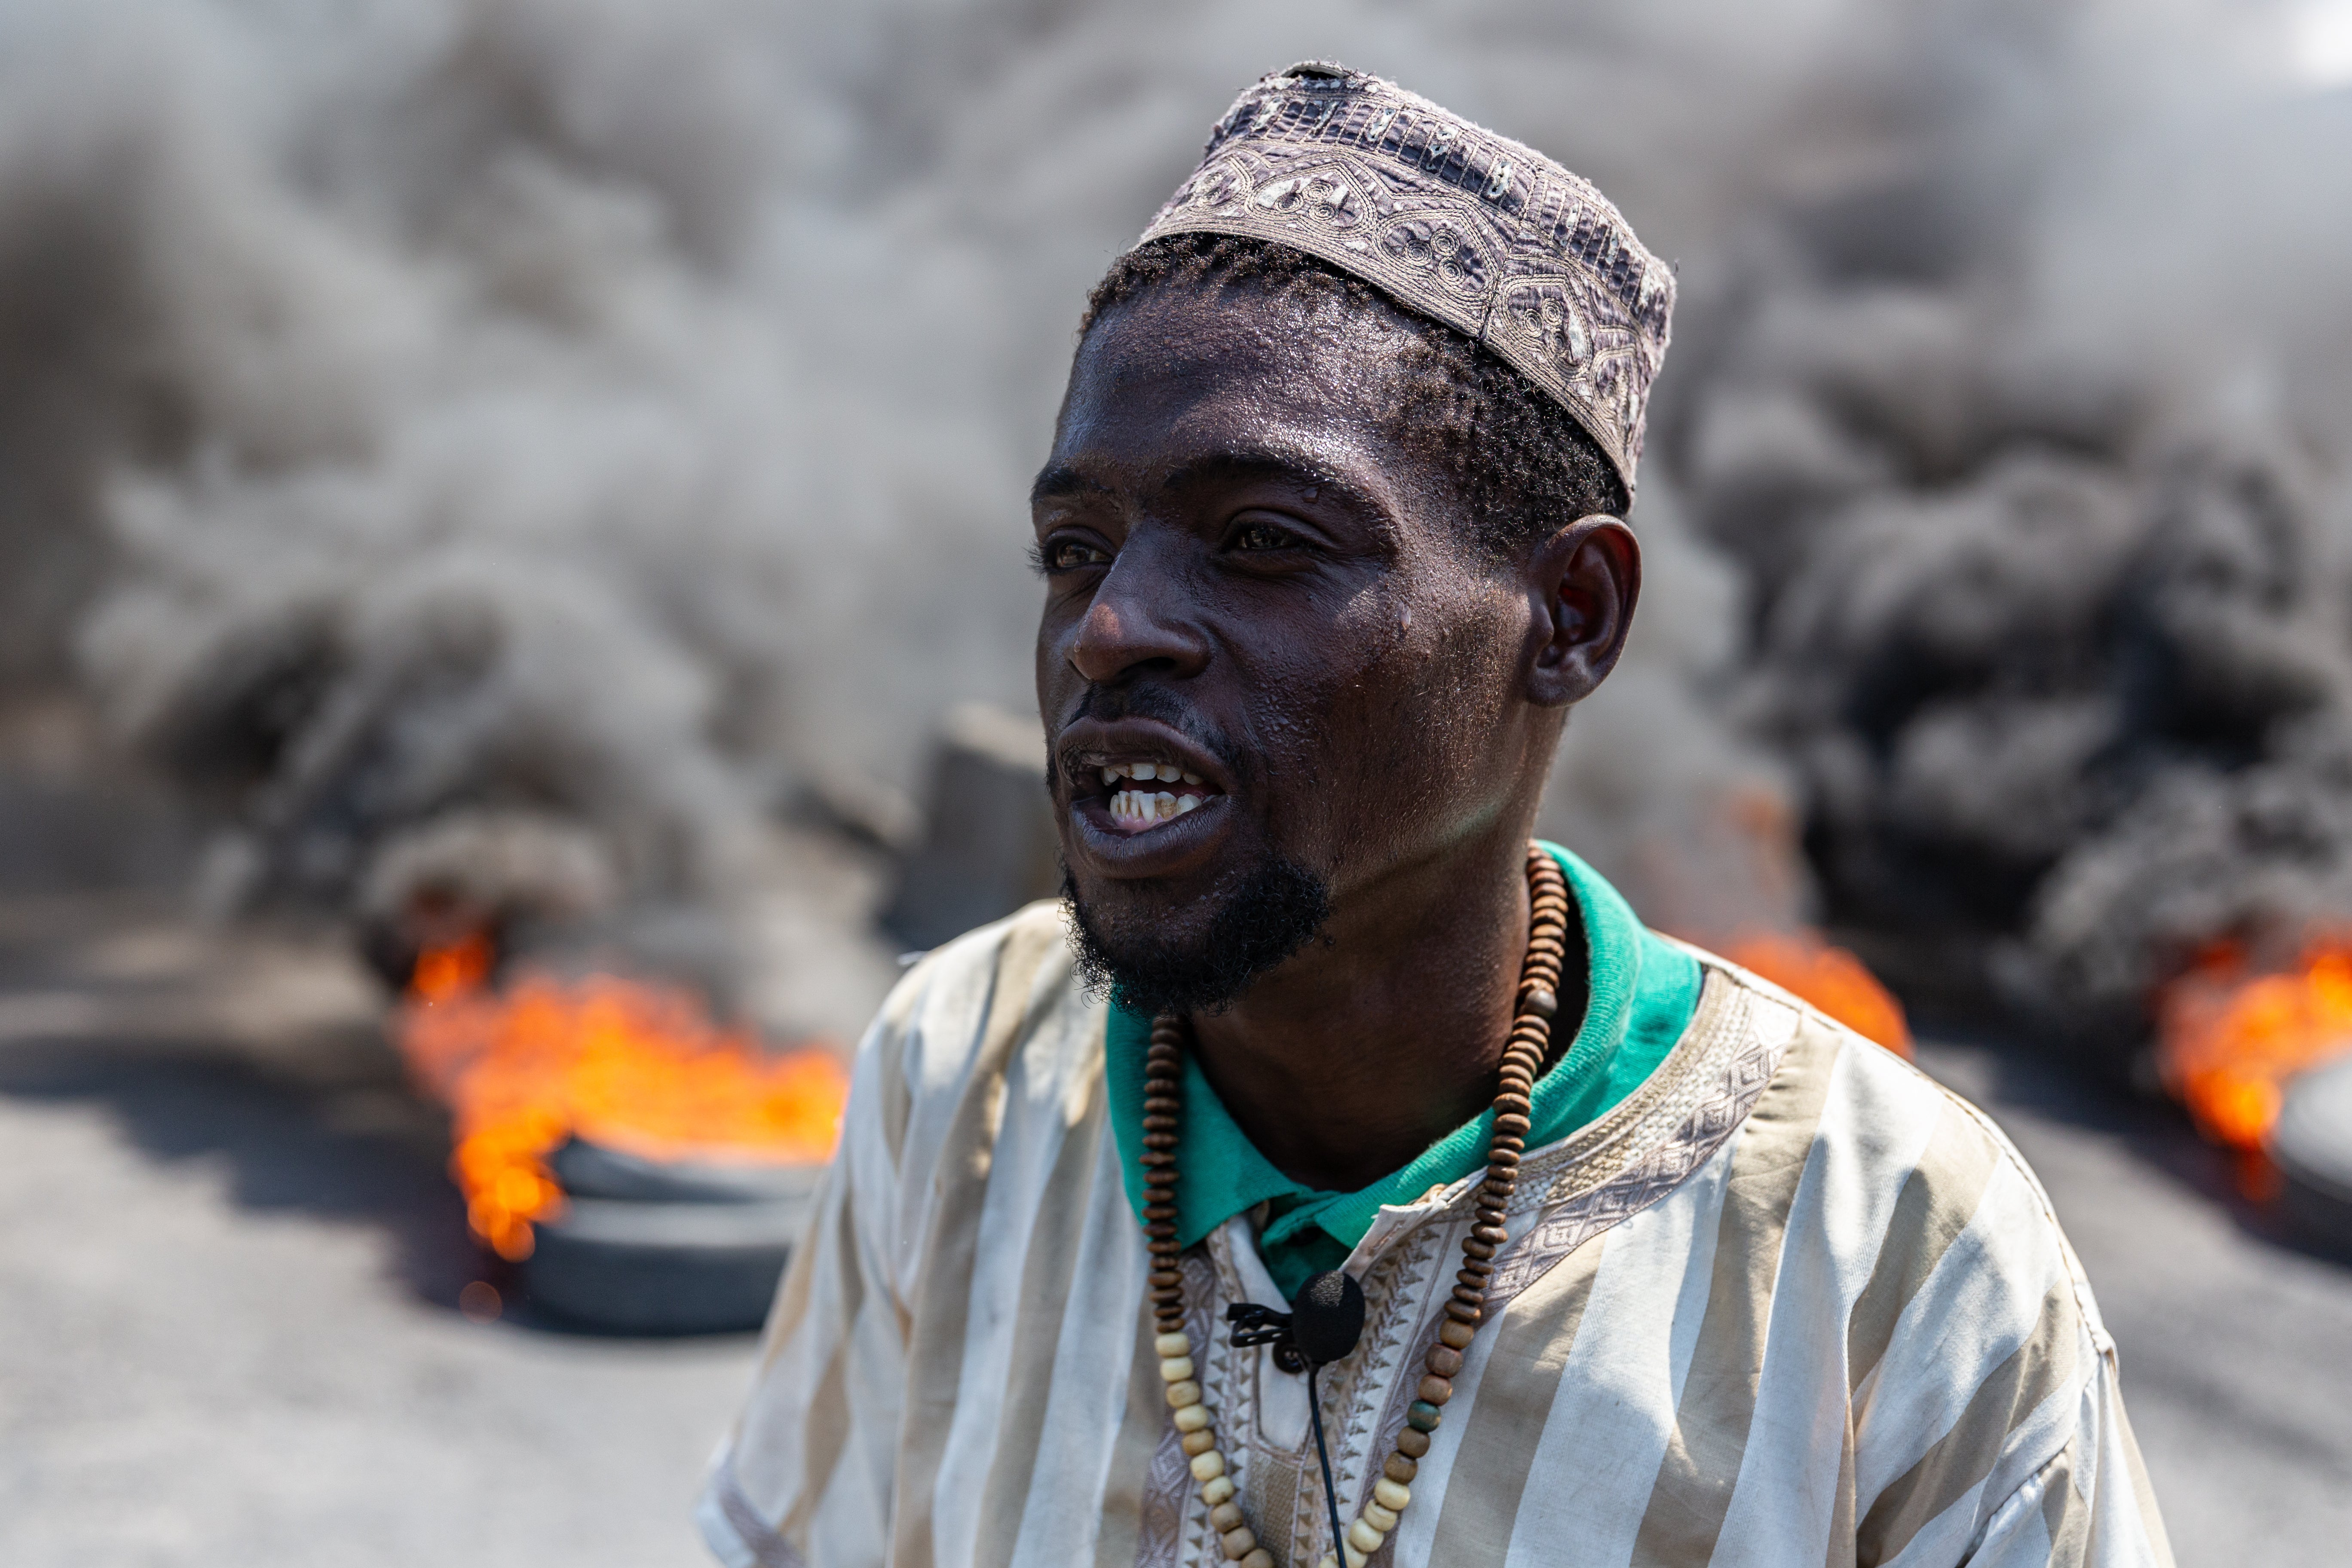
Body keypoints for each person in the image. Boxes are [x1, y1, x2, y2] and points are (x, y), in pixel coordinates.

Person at [701, 62, 2172, 1568]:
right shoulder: (961, 1078)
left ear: (1570, 617)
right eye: (1074, 548)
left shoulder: (1896, 1267)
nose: (1108, 629)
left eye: (1263, 541)